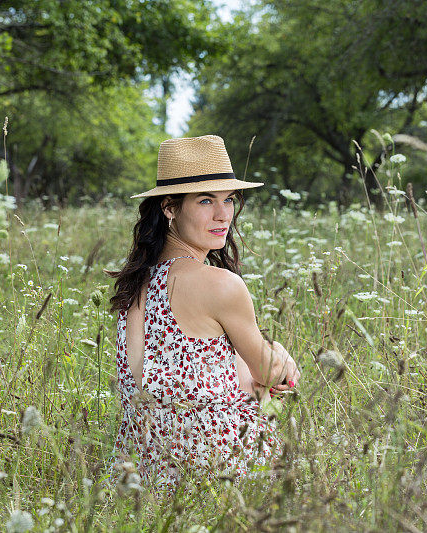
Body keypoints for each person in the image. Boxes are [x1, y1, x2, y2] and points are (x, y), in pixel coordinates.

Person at [106, 135, 301, 494]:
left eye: (228, 200)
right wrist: (282, 358)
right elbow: (273, 374)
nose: (223, 214)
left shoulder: (136, 284)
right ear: (169, 207)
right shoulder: (218, 284)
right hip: (214, 463)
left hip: (142, 467)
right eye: (206, 200)